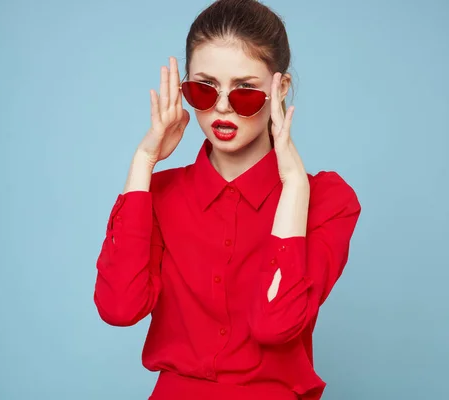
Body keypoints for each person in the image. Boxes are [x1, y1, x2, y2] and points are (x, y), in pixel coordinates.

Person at [93, 0, 361, 398]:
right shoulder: (159, 195)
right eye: (204, 88)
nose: (221, 106)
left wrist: (294, 188)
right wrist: (143, 160)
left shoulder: (327, 200)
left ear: (279, 88)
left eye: (245, 91)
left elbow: (275, 324)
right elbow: (120, 308)